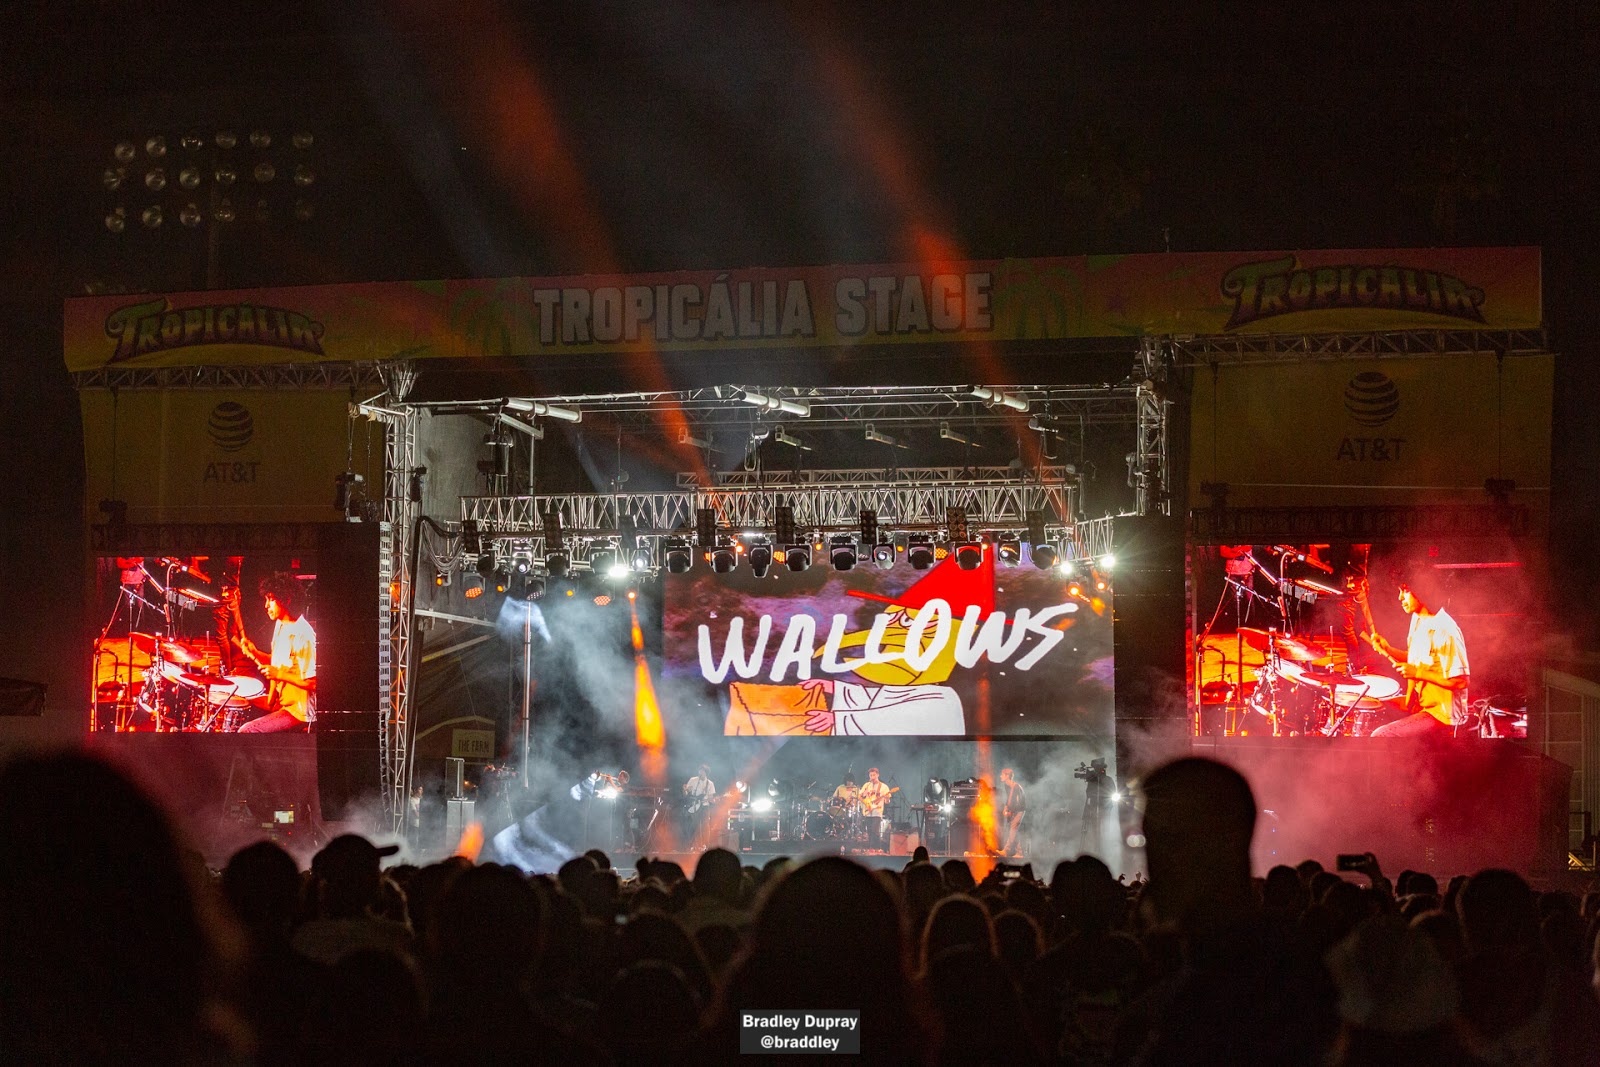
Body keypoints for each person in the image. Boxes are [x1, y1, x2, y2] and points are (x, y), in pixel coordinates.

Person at [1364, 572, 1469, 737]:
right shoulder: (1418, 619)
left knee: (1381, 735)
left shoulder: (1445, 629)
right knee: (1371, 706)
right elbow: (1415, 658)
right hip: (1421, 703)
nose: (1400, 597)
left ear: (1423, 589)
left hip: (1442, 714)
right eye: (1400, 591)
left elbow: (1460, 681)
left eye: (1405, 591)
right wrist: (1388, 649)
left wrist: (1418, 673)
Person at [235, 571, 316, 733]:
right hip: (282, 701)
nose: (266, 605)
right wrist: (255, 653)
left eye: (271, 600)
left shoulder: (304, 635)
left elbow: (313, 682)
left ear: (286, 600)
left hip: (299, 711)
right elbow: (277, 662)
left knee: (246, 731)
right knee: (239, 702)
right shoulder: (281, 625)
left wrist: (279, 674)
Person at [858, 767, 894, 851]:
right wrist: (865, 801)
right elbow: (859, 796)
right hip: (867, 811)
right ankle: (872, 849)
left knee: (875, 830)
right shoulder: (866, 785)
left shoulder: (884, 787)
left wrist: (887, 798)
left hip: (877, 811)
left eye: (874, 775)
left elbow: (887, 802)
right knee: (869, 830)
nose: (872, 777)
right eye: (871, 775)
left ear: (878, 775)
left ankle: (876, 848)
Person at [682, 764, 717, 844]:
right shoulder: (693, 780)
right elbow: (686, 794)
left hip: (705, 807)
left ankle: (705, 845)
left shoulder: (710, 783)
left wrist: (713, 800)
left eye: (702, 772)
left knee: (705, 826)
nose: (700, 773)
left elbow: (711, 798)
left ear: (706, 773)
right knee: (694, 826)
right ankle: (693, 845)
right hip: (693, 806)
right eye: (699, 771)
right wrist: (684, 790)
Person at [999, 767, 1027, 858]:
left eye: (1002, 775)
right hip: (1014, 810)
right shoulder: (1006, 786)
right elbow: (1009, 799)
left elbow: (1018, 803)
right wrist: (1005, 808)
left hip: (1019, 810)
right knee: (1014, 831)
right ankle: (1019, 853)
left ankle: (1006, 850)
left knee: (1013, 829)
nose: (1000, 776)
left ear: (1007, 776)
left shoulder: (1016, 787)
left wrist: (1010, 812)